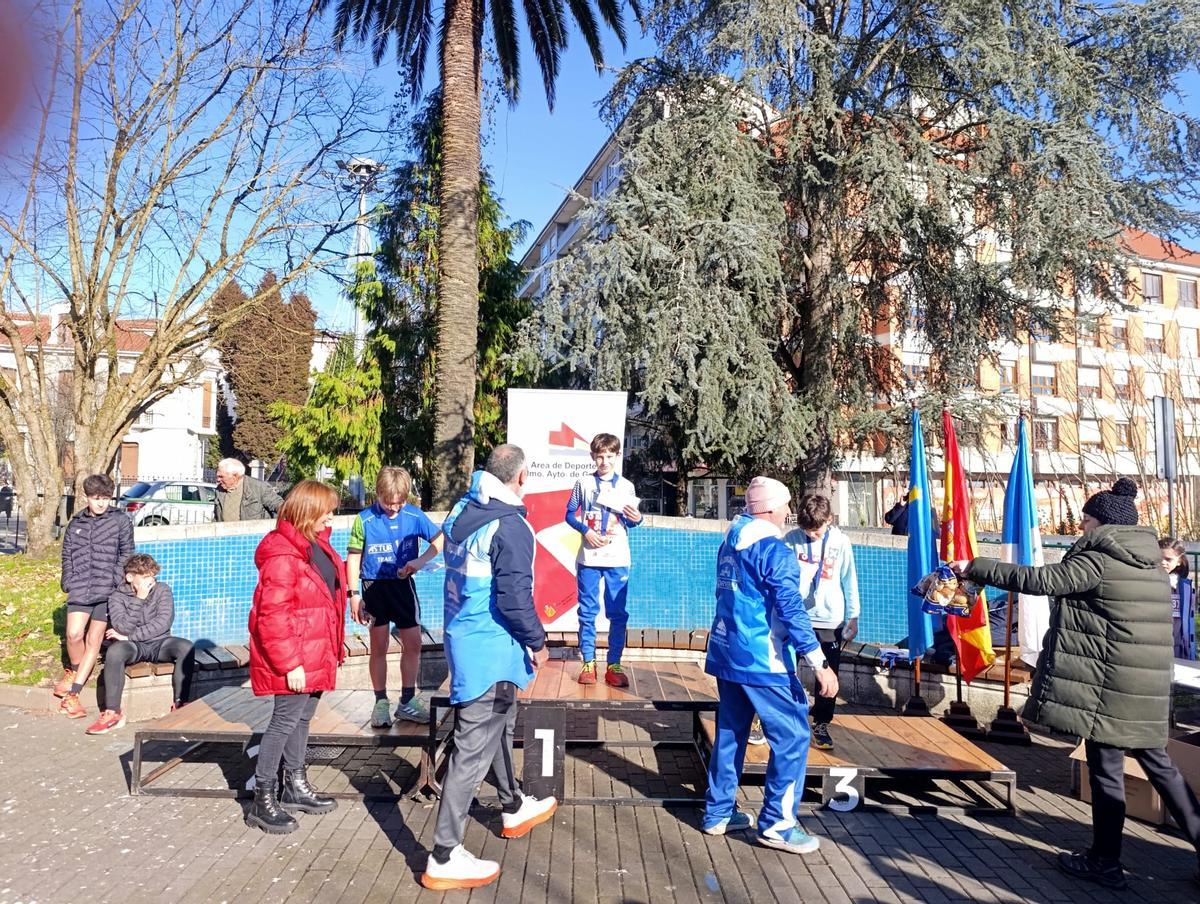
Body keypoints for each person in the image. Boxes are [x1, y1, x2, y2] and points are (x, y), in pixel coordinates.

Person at [951, 478, 1200, 890]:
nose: (1080, 528)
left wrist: (974, 567)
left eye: (1084, 520)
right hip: (1146, 689)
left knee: (1106, 773)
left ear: (1101, 523)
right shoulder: (1150, 565)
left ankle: (1105, 861)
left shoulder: (1100, 558)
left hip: (1109, 690)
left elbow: (1044, 581)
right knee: (1163, 771)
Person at [421, 444, 557, 891]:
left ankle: (513, 804)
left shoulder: (464, 509)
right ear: (520, 478)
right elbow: (513, 599)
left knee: (499, 725)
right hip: (492, 650)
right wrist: (538, 643)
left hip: (464, 637)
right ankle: (443, 854)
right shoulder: (511, 526)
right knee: (471, 748)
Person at [702, 476, 839, 855]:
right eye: (785, 506)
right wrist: (819, 662)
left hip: (728, 651)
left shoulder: (730, 541)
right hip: (765, 660)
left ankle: (718, 812)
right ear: (771, 509)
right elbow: (791, 610)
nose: (788, 513)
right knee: (794, 737)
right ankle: (778, 824)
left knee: (731, 732)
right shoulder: (774, 551)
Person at [245, 479, 346, 835]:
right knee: (283, 722)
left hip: (315, 650)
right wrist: (291, 664)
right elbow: (271, 615)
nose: (331, 516)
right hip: (297, 656)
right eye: (326, 510)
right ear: (307, 512)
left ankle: (295, 784)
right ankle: (263, 797)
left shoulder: (314, 544)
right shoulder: (282, 555)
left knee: (302, 719)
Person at [346, 466, 444, 727]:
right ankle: (380, 702)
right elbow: (354, 557)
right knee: (378, 646)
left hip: (402, 587)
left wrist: (420, 561)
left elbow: (440, 540)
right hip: (374, 588)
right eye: (389, 503)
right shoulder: (364, 519)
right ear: (377, 493)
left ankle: (408, 700)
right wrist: (353, 595)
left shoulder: (413, 515)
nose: (394, 508)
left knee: (413, 643)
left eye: (399, 502)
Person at [84, 554, 195, 735]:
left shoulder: (162, 590)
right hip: (134, 648)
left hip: (160, 643)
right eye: (144, 577)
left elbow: (163, 622)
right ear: (129, 577)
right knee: (115, 652)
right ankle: (112, 713)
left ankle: (180, 703)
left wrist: (129, 637)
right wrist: (140, 599)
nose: (150, 581)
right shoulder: (116, 597)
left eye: (152, 576)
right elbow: (122, 626)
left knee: (185, 647)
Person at [564, 432, 642, 687]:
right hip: (589, 556)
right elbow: (569, 514)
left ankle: (614, 664)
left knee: (617, 613)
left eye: (609, 456)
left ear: (618, 456)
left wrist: (637, 518)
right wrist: (586, 531)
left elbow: (631, 521)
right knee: (587, 612)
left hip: (617, 557)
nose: (604, 462)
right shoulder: (583, 483)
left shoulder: (627, 486)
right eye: (599, 457)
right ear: (592, 457)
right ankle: (588, 662)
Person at [783, 493, 859, 752]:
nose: (812, 535)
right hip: (797, 617)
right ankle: (783, 718)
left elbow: (849, 579)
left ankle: (821, 722)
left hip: (830, 619)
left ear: (829, 520)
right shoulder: (790, 540)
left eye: (817, 530)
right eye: (807, 530)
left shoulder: (841, 542)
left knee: (828, 674)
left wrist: (854, 615)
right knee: (785, 668)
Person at [55, 474, 134, 719]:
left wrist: (116, 582)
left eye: (105, 498)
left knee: (93, 640)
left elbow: (127, 553)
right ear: (87, 497)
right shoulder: (76, 521)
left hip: (106, 589)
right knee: (73, 634)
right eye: (96, 498)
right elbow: (67, 553)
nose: (100, 503)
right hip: (80, 586)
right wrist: (67, 580)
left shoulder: (120, 520)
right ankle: (76, 670)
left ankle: (74, 691)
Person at [213, 458, 284, 522]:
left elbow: (279, 505)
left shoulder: (258, 487)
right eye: (217, 476)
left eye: (221, 476)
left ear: (235, 476)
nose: (218, 480)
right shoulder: (219, 490)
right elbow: (216, 517)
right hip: (227, 535)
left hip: (255, 535)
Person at [1160, 538, 1196, 661]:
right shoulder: (1149, 583)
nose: (1163, 562)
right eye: (1159, 558)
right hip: (1157, 647)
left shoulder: (1185, 587)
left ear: (1180, 561)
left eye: (1168, 559)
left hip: (1179, 649)